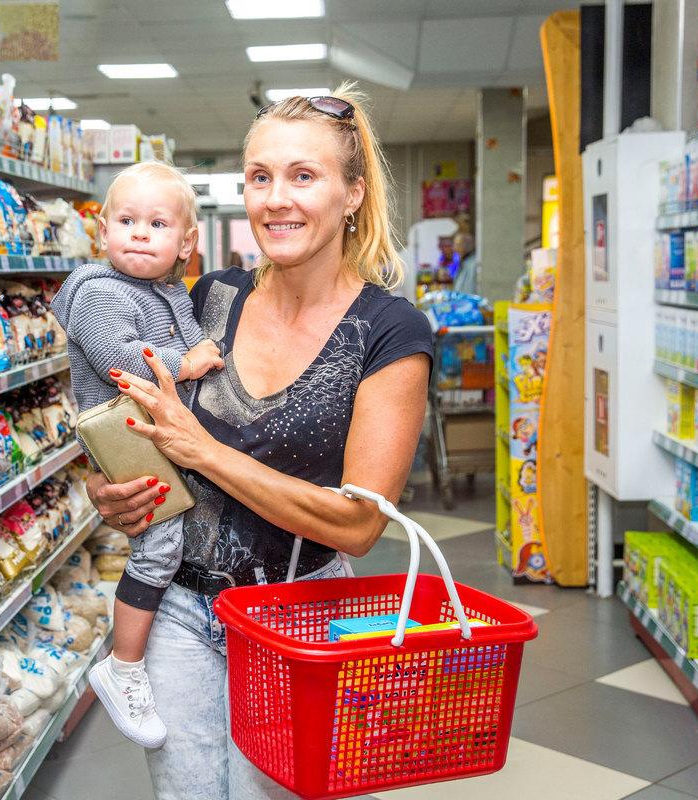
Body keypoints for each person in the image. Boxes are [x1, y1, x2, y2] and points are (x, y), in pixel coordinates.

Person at [86, 82, 432, 798]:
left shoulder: (390, 332)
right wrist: (110, 488)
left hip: (297, 618)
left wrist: (203, 450)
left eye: (304, 177)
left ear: (353, 194)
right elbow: (132, 420)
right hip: (177, 611)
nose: (277, 199)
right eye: (261, 178)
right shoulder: (206, 298)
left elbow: (362, 522)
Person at [50, 160, 224, 750]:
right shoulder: (100, 292)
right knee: (160, 543)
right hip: (126, 432)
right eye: (127, 220)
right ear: (103, 231)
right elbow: (118, 362)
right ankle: (123, 667)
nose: (141, 233)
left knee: (166, 537)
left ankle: (128, 661)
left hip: (151, 428)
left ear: (186, 243)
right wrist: (188, 362)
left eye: (157, 222)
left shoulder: (166, 291)